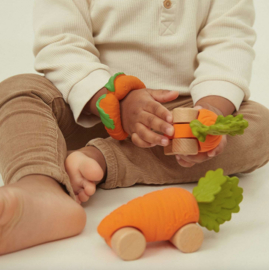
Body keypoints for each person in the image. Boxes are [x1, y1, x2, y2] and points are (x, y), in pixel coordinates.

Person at [0, 0, 268, 256]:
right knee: (19, 89)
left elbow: (229, 43)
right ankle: (39, 188)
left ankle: (101, 159)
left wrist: (211, 112)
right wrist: (117, 98)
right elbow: (61, 43)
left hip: (176, 123)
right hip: (87, 105)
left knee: (259, 125)